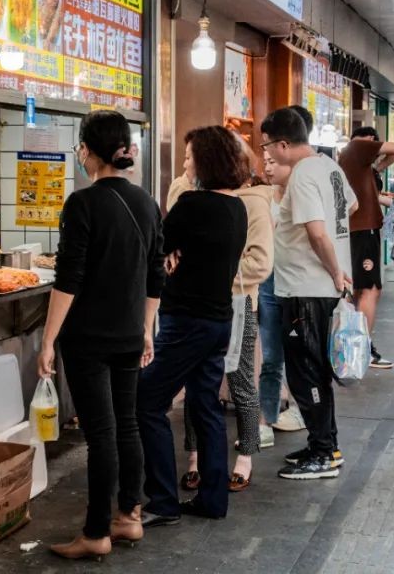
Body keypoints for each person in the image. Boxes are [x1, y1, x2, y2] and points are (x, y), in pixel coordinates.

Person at [37, 111, 165, 560]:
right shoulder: (146, 202)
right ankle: (129, 516)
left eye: (80, 147)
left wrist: (48, 339)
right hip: (129, 333)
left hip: (88, 338)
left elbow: (68, 279)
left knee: (101, 434)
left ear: (88, 151)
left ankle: (95, 533)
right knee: (126, 424)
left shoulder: (83, 204)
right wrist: (147, 330)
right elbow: (155, 276)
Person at [137, 127, 249, 526]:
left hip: (187, 322)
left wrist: (171, 257)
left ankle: (162, 500)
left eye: (188, 157)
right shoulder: (236, 207)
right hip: (219, 321)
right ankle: (212, 500)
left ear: (205, 161)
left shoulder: (192, 203)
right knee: (206, 407)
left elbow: (157, 248)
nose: (185, 164)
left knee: (146, 401)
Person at [172, 134, 274, 493]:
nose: (185, 164)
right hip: (196, 304)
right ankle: (194, 456)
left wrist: (209, 272)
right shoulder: (188, 193)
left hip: (237, 302)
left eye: (191, 157)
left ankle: (246, 456)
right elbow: (173, 236)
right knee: (196, 384)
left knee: (242, 381)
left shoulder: (254, 202)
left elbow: (260, 263)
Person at [261, 107, 357, 480]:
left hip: (306, 289)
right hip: (319, 289)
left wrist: (334, 271)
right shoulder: (329, 167)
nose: (267, 153)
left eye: (268, 146)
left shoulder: (301, 175)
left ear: (283, 144)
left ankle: (323, 453)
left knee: (306, 374)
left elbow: (316, 233)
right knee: (314, 370)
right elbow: (351, 205)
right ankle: (324, 443)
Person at [338, 126, 394, 369]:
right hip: (363, 231)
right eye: (372, 142)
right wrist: (378, 154)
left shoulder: (354, 163)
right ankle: (362, 349)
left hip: (357, 230)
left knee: (358, 290)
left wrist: (377, 167)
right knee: (369, 289)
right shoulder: (357, 147)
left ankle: (352, 348)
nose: (374, 145)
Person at [257, 149, 307, 438]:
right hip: (269, 280)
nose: (268, 167)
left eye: (273, 162)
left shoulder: (302, 194)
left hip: (299, 283)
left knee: (301, 356)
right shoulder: (263, 197)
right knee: (271, 358)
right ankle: (266, 420)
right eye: (266, 162)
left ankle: (306, 413)